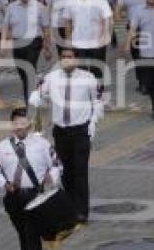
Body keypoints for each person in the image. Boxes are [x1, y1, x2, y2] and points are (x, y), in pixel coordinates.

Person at [0, 108, 61, 250]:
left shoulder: (42, 144)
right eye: (16, 123)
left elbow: (57, 164)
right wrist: (4, 183)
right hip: (14, 196)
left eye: (23, 122)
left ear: (29, 124)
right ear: (12, 125)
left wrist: (52, 176)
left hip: (35, 195)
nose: (20, 127)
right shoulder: (2, 147)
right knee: (22, 232)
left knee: (31, 232)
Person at [30, 47, 102, 223]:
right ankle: (69, 208)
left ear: (76, 59)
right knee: (64, 172)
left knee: (80, 171)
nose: (67, 60)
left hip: (80, 131)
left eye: (70, 57)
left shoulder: (88, 79)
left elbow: (97, 102)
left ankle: (82, 211)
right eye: (63, 57)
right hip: (61, 131)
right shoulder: (51, 78)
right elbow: (40, 94)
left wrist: (93, 123)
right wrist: (36, 97)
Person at [61, 0, 113, 87]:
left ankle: (99, 95)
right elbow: (67, 21)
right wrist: (68, 40)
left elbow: (106, 18)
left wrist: (105, 36)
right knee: (81, 73)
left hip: (97, 43)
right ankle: (84, 96)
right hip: (78, 43)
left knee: (97, 71)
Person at [2, 0, 51, 100]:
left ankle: (29, 100)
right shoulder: (11, 7)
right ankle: (34, 88)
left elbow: (46, 29)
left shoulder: (40, 7)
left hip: (34, 42)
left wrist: (47, 47)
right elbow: (5, 27)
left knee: (28, 68)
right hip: (17, 42)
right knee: (22, 72)